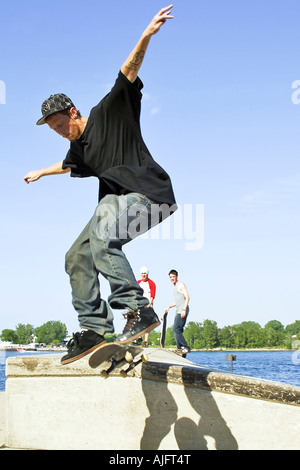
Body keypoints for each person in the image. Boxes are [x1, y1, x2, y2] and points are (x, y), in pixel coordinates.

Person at [24, 5, 176, 365]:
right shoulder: (79, 150)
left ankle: (139, 309)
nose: (61, 134)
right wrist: (40, 173)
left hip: (152, 197)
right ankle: (94, 328)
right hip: (125, 207)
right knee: (76, 255)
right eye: (54, 131)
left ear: (73, 112)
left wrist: (145, 36)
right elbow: (67, 164)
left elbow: (129, 70)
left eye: (61, 126)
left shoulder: (111, 109)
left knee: (104, 224)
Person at [165, 269, 190, 354]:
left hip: (182, 310)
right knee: (177, 330)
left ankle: (185, 347)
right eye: (170, 277)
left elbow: (187, 297)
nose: (172, 278)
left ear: (177, 276)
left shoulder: (181, 285)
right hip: (178, 310)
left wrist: (184, 309)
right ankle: (180, 348)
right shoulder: (174, 287)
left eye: (173, 277)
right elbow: (177, 300)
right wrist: (169, 306)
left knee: (176, 329)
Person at [138, 267, 156, 346]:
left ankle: (145, 341)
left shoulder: (151, 283)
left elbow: (152, 295)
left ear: (147, 274)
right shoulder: (138, 282)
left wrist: (149, 304)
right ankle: (139, 337)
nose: (143, 275)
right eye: (142, 273)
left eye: (145, 273)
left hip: (148, 304)